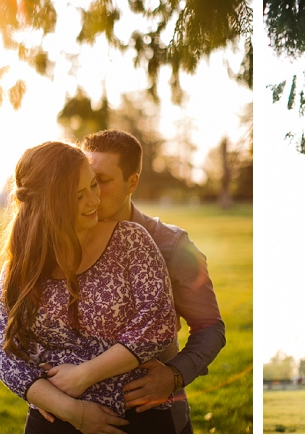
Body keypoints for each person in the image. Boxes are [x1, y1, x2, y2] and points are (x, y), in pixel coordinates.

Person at [0, 141, 178, 433]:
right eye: (79, 196)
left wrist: (83, 375)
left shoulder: (130, 241)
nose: (94, 200)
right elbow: (6, 357)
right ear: (50, 205)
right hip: (54, 422)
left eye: (94, 185)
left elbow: (159, 323)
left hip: (137, 419)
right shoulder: (21, 268)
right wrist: (73, 411)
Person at [80, 129, 226, 434]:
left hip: (153, 415)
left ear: (132, 182)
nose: (90, 191)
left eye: (102, 181)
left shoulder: (172, 245)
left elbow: (210, 327)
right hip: (79, 415)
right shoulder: (68, 239)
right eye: (85, 179)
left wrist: (174, 375)